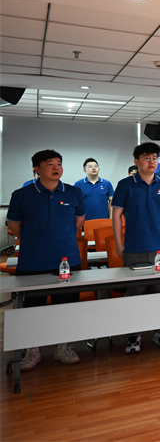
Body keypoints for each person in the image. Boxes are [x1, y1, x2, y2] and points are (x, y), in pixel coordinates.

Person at [8, 150, 85, 370]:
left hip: (67, 260)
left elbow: (79, 221)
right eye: (50, 164)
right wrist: (35, 239)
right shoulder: (22, 195)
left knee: (66, 307)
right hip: (33, 261)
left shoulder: (73, 192)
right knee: (32, 309)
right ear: (37, 169)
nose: (56, 167)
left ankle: (63, 346)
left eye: (59, 163)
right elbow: (14, 226)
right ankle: (33, 349)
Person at [111, 142, 160, 353]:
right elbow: (116, 216)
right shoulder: (125, 184)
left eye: (154, 158)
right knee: (136, 293)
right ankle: (134, 334)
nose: (152, 162)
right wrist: (119, 243)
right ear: (136, 161)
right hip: (135, 248)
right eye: (147, 158)